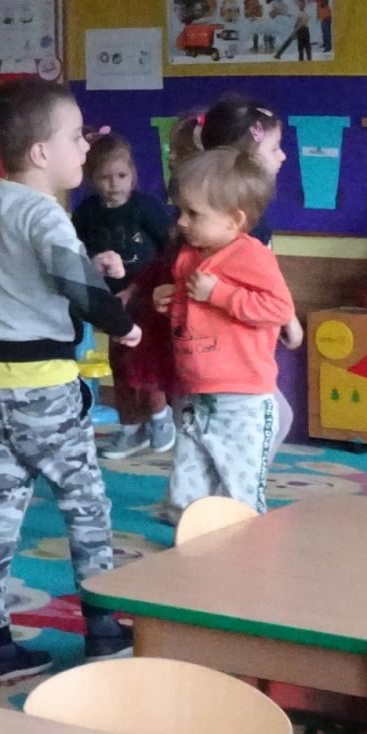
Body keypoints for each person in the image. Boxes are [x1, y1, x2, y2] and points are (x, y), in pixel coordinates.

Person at [0, 80, 141, 680]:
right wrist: (123, 324)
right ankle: (103, 628)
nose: (87, 146)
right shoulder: (46, 212)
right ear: (42, 152)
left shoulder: (3, 200)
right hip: (41, 386)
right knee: (86, 504)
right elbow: (75, 287)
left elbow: (36, 277)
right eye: (76, 136)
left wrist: (90, 268)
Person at [153, 147, 298, 514]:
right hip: (196, 392)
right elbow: (193, 309)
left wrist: (220, 294)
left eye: (193, 213)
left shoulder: (251, 255)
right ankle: (191, 535)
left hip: (243, 398)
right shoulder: (190, 254)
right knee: (185, 490)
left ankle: (240, 542)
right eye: (180, 211)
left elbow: (279, 309)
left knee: (237, 491)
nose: (181, 222)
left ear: (234, 220)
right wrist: (169, 299)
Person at [176, 96, 303, 453]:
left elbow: (263, 283)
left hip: (231, 352)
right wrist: (288, 318)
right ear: (245, 157)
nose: (283, 157)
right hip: (220, 357)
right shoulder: (229, 227)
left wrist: (286, 317)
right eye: (274, 148)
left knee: (267, 421)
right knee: (268, 419)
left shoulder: (236, 222)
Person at [73, 135, 174, 459]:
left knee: (144, 358)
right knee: (120, 362)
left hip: (147, 297)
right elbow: (76, 252)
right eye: (104, 177)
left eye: (121, 175)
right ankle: (131, 429)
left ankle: (160, 416)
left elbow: (170, 251)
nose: (114, 184)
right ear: (91, 178)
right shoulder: (87, 212)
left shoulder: (147, 207)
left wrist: (143, 288)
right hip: (112, 302)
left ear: (133, 174)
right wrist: (94, 265)